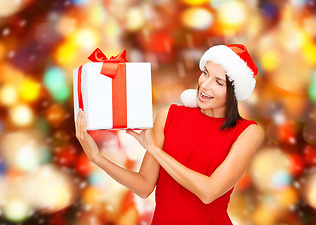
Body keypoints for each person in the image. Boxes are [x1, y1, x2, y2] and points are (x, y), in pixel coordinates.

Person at [75, 44, 264, 224]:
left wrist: (156, 150)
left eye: (218, 82)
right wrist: (97, 158)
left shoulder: (247, 132)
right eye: (205, 73)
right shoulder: (168, 116)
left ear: (233, 92)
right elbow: (144, 187)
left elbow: (208, 192)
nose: (205, 85)